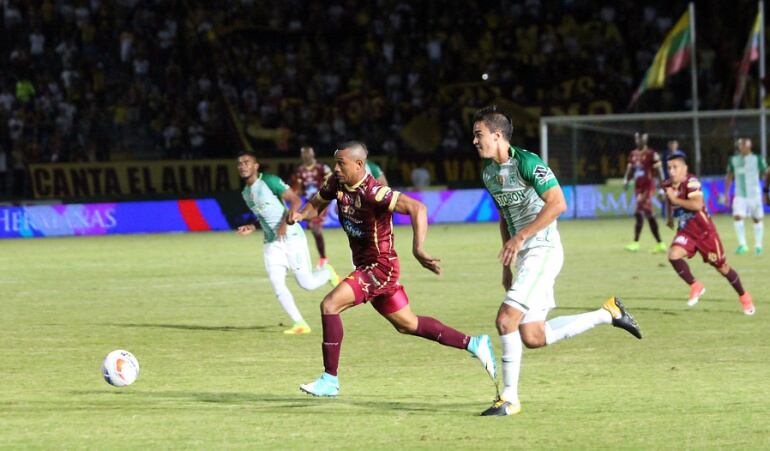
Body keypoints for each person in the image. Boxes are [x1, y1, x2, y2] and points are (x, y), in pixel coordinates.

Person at [287, 140, 496, 398]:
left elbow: (417, 208)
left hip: (379, 267)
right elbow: (316, 203)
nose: (336, 168)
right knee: (408, 324)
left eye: (341, 163)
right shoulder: (336, 183)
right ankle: (474, 343)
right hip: (367, 266)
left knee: (330, 305)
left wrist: (418, 249)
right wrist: (301, 214)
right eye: (335, 163)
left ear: (359, 164)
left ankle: (329, 379)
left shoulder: (374, 192)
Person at [472, 106, 642, 417]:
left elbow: (558, 203)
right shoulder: (488, 172)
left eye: (478, 134)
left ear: (497, 135)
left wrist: (521, 237)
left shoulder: (528, 163)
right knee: (533, 336)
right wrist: (506, 265)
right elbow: (504, 216)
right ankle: (608, 313)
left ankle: (509, 399)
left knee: (506, 320)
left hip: (543, 249)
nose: (474, 140)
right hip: (524, 255)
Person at [236, 151, 340, 335]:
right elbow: (263, 215)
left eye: (247, 162)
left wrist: (285, 224)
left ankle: (327, 272)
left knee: (307, 284)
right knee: (277, 283)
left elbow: (295, 200)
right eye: (240, 163)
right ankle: (300, 323)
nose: (243, 166)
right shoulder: (246, 193)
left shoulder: (269, 181)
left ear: (255, 166)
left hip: (291, 237)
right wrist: (252, 226)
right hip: (271, 243)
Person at [664, 150, 755, 315]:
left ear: (684, 168)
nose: (671, 171)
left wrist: (675, 200)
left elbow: (697, 205)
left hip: (705, 234)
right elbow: (669, 199)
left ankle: (744, 296)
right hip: (686, 232)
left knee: (723, 268)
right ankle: (695, 285)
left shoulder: (691, 182)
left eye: (675, 167)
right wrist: (670, 218)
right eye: (669, 167)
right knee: (673, 255)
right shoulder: (667, 184)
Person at [724, 138, 770, 255]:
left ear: (750, 146)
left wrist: (766, 191)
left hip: (754, 194)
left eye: (745, 145)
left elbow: (766, 172)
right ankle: (742, 245)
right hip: (740, 194)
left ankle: (758, 246)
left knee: (756, 219)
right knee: (737, 216)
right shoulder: (733, 160)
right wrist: (726, 193)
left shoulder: (757, 158)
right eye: (741, 145)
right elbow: (729, 176)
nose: (743, 147)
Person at [623, 132, 666, 253]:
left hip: (648, 187)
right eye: (637, 139)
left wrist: (662, 188)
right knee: (648, 214)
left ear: (646, 140)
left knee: (639, 212)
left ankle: (636, 243)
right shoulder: (633, 154)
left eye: (642, 139)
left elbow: (659, 171)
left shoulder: (652, 154)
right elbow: (631, 169)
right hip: (638, 188)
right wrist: (626, 180)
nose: (639, 141)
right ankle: (660, 243)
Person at [291, 145, 333, 267]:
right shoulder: (300, 171)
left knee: (314, 227)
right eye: (304, 153)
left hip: (322, 201)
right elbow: (298, 189)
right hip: (309, 203)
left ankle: (323, 258)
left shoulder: (322, 168)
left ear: (313, 154)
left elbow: (332, 182)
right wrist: (290, 194)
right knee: (308, 227)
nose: (306, 156)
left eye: (308, 153)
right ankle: (320, 257)